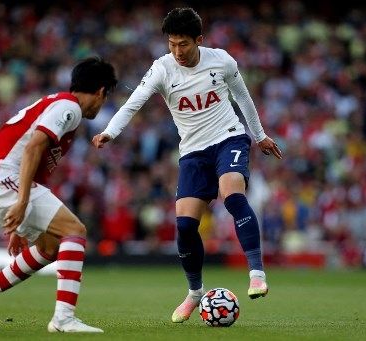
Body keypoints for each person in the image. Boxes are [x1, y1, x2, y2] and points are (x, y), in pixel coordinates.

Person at [92, 8, 282, 323]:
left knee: (232, 196)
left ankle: (257, 272)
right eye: (172, 44)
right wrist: (110, 131)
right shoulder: (162, 69)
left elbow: (243, 99)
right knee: (184, 226)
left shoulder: (221, 61)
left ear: (199, 40)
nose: (177, 51)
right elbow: (134, 101)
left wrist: (259, 136)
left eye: (183, 44)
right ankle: (195, 293)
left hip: (229, 138)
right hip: (193, 151)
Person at [0, 57, 117, 333]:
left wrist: (19, 224)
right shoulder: (69, 108)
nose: (101, 104)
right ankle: (63, 319)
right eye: (105, 98)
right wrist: (21, 202)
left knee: (50, 247)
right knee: (75, 230)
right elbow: (33, 147)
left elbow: (35, 164)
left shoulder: (61, 106)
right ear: (101, 92)